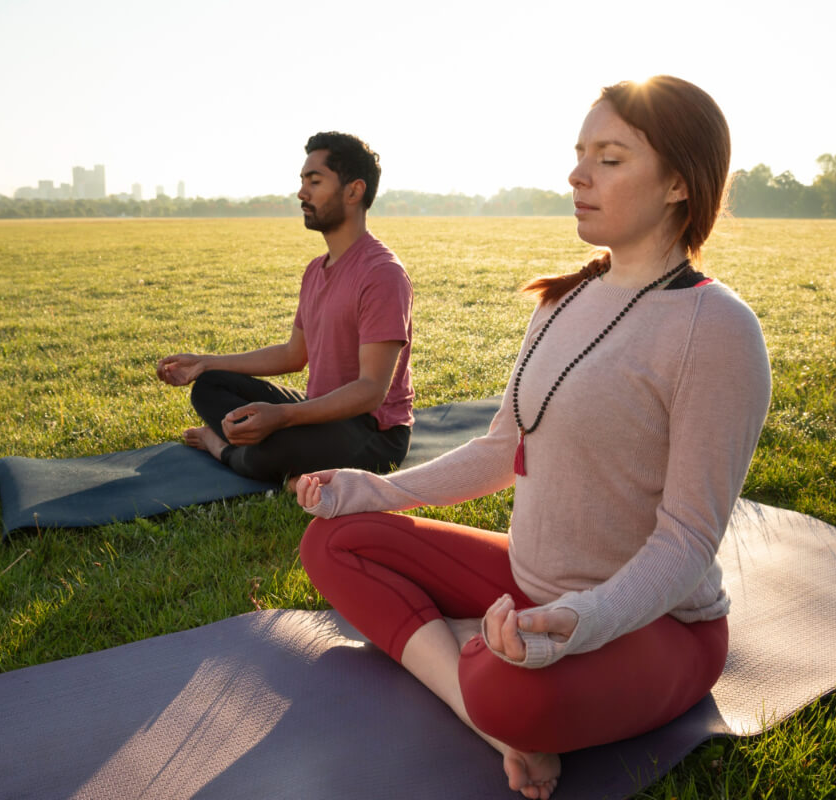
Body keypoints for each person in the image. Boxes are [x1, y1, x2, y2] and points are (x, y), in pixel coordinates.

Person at [294, 76, 772, 799]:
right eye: (580, 153)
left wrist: (579, 621)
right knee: (333, 541)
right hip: (528, 584)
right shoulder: (563, 300)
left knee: (513, 692)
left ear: (678, 182)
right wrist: (374, 489)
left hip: (655, 625)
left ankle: (487, 681)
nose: (578, 174)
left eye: (610, 158)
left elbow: (686, 541)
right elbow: (500, 449)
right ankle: (487, 712)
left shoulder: (718, 332)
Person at [156, 132, 415, 486]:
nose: (302, 193)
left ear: (354, 191)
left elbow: (371, 390)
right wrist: (207, 362)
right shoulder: (315, 270)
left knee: (273, 451)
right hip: (320, 412)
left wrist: (282, 417)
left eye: (315, 181)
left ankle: (222, 447)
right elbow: (294, 354)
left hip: (374, 432)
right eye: (302, 181)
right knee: (209, 386)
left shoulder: (382, 274)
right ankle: (263, 443)